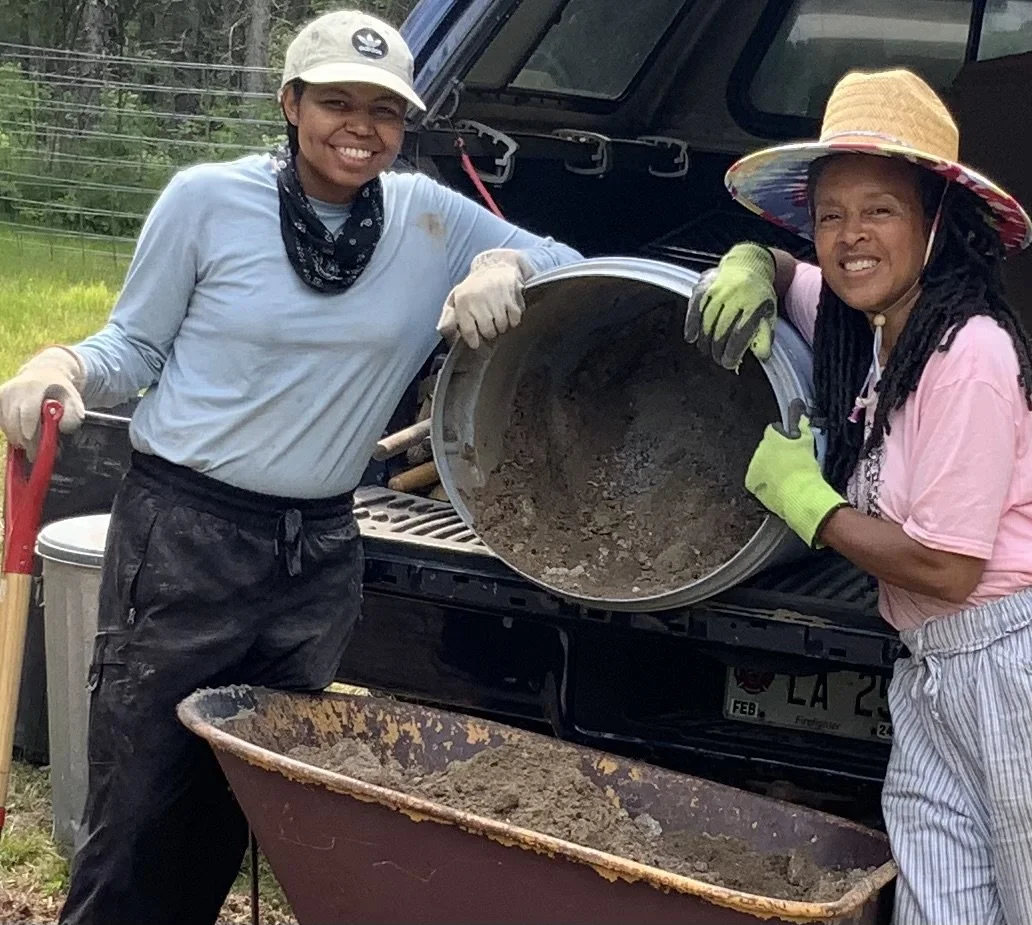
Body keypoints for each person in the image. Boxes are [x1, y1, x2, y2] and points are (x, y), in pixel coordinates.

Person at [0, 10, 580, 925]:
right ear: (290, 103)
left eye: (383, 111)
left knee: (236, 801)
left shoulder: (430, 218)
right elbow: (133, 344)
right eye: (336, 102)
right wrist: (60, 365)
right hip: (184, 536)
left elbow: (576, 270)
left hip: (316, 553)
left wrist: (507, 261)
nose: (361, 126)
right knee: (140, 804)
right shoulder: (205, 199)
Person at [685, 69, 1032, 924]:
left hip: (1008, 662)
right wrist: (747, 262)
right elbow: (784, 271)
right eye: (830, 214)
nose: (850, 237)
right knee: (941, 904)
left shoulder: (969, 354)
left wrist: (813, 505)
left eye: (879, 209)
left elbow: (949, 569)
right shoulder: (865, 323)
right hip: (929, 667)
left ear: (935, 221)